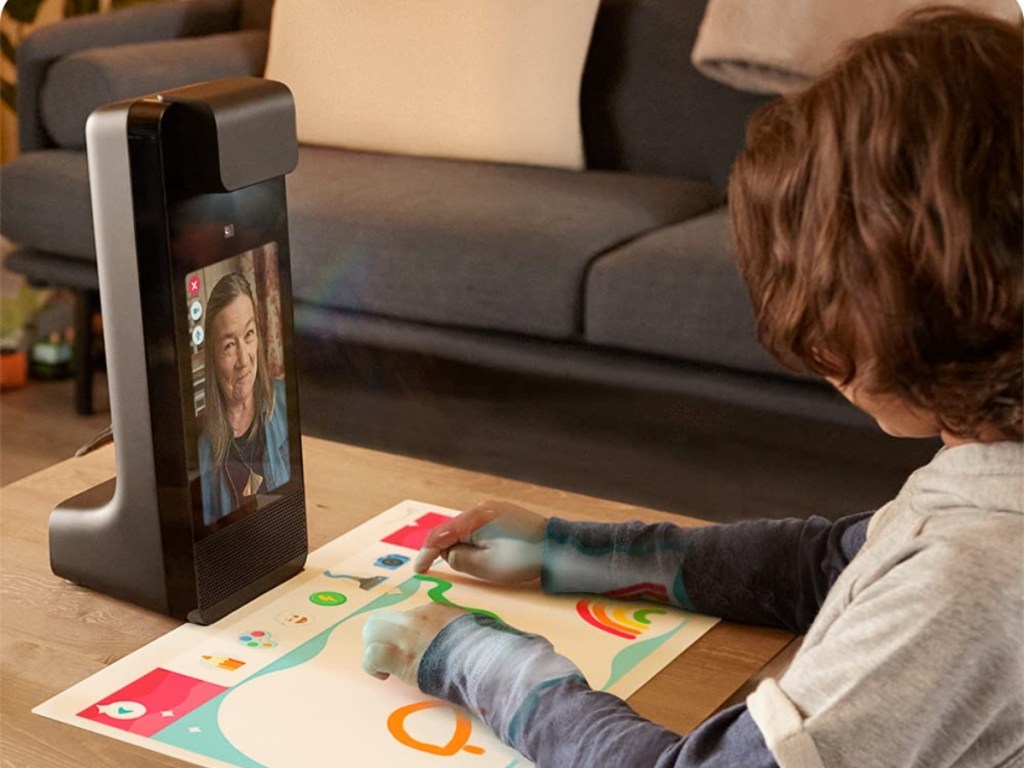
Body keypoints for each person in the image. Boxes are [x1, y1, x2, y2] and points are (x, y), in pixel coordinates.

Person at [360, 8, 1023, 767]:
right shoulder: (987, 484)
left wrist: (482, 666)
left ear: (910, 311)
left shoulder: (964, 582)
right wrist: (570, 553)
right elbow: (828, 561)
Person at [198, 271, 290, 526]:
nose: (244, 359)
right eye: (229, 345)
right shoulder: (203, 451)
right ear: (213, 359)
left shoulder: (284, 402)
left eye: (249, 334)